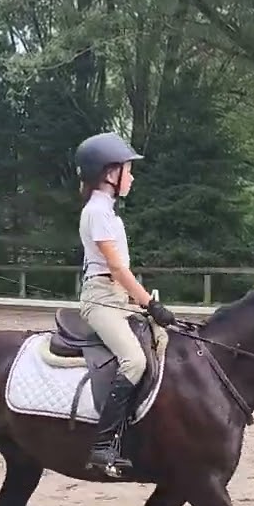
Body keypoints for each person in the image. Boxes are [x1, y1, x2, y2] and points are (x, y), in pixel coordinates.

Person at [74, 132, 176, 475]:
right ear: (108, 173)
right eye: (127, 170)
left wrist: (148, 307)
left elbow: (121, 272)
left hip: (117, 297)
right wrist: (149, 303)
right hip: (100, 300)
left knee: (163, 339)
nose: (131, 177)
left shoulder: (110, 213)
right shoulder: (97, 212)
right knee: (132, 360)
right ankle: (103, 446)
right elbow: (116, 268)